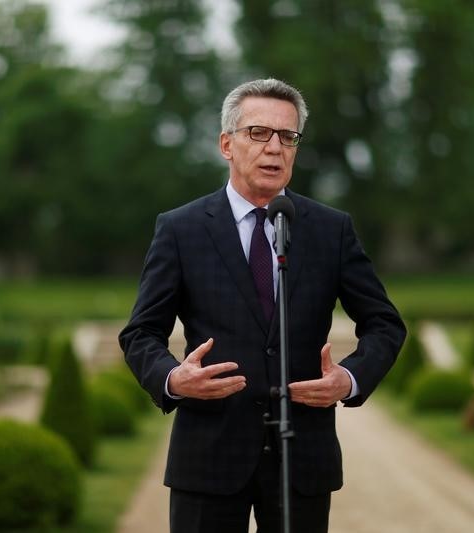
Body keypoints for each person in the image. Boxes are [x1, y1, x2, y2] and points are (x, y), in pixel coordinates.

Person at [119, 78, 406, 533]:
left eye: (287, 137)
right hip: (208, 458)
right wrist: (173, 378)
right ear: (226, 144)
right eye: (259, 133)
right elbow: (140, 333)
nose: (275, 147)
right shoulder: (180, 229)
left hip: (302, 459)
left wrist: (348, 380)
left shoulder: (331, 231)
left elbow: (385, 324)